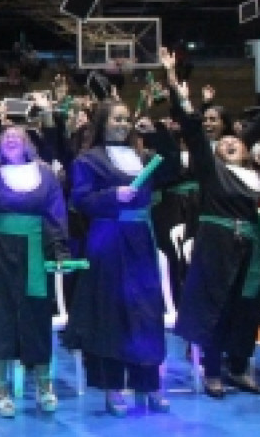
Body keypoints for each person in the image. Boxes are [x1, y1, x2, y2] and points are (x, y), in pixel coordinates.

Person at [162, 47, 260, 398]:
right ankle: (212, 370)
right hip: (216, 247)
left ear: (246, 150)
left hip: (248, 250)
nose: (230, 142)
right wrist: (174, 84)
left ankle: (238, 368)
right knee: (215, 307)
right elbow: (194, 130)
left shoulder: (252, 178)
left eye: (236, 140)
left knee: (248, 308)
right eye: (225, 141)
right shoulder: (211, 171)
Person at [64, 102, 180, 415]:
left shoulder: (143, 158)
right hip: (108, 238)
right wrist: (113, 196)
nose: (124, 124)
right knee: (112, 312)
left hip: (141, 238)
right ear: (102, 123)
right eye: (117, 118)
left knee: (146, 310)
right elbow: (80, 199)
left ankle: (148, 383)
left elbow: (174, 170)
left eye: (126, 119)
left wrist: (157, 134)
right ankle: (113, 386)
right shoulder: (88, 159)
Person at [0, 89, 70, 418]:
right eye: (5, 135)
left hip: (34, 253)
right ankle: (0, 388)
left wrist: (61, 251)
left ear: (28, 143)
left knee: (36, 317)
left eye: (18, 135)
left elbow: (55, 216)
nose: (11, 138)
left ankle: (43, 385)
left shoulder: (46, 176)